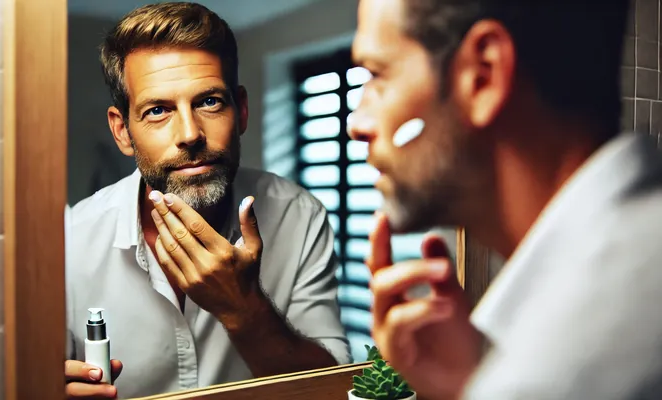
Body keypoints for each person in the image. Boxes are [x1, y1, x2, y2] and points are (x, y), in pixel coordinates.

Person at [349, 0, 662, 398]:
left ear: (483, 75)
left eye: (377, 75)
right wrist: (467, 384)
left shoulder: (552, 377)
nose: (357, 125)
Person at [63, 3, 350, 399]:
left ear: (242, 110)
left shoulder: (298, 217)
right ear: (123, 132)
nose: (190, 134)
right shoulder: (71, 240)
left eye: (210, 101)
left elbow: (334, 390)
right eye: (158, 110)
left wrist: (245, 309)